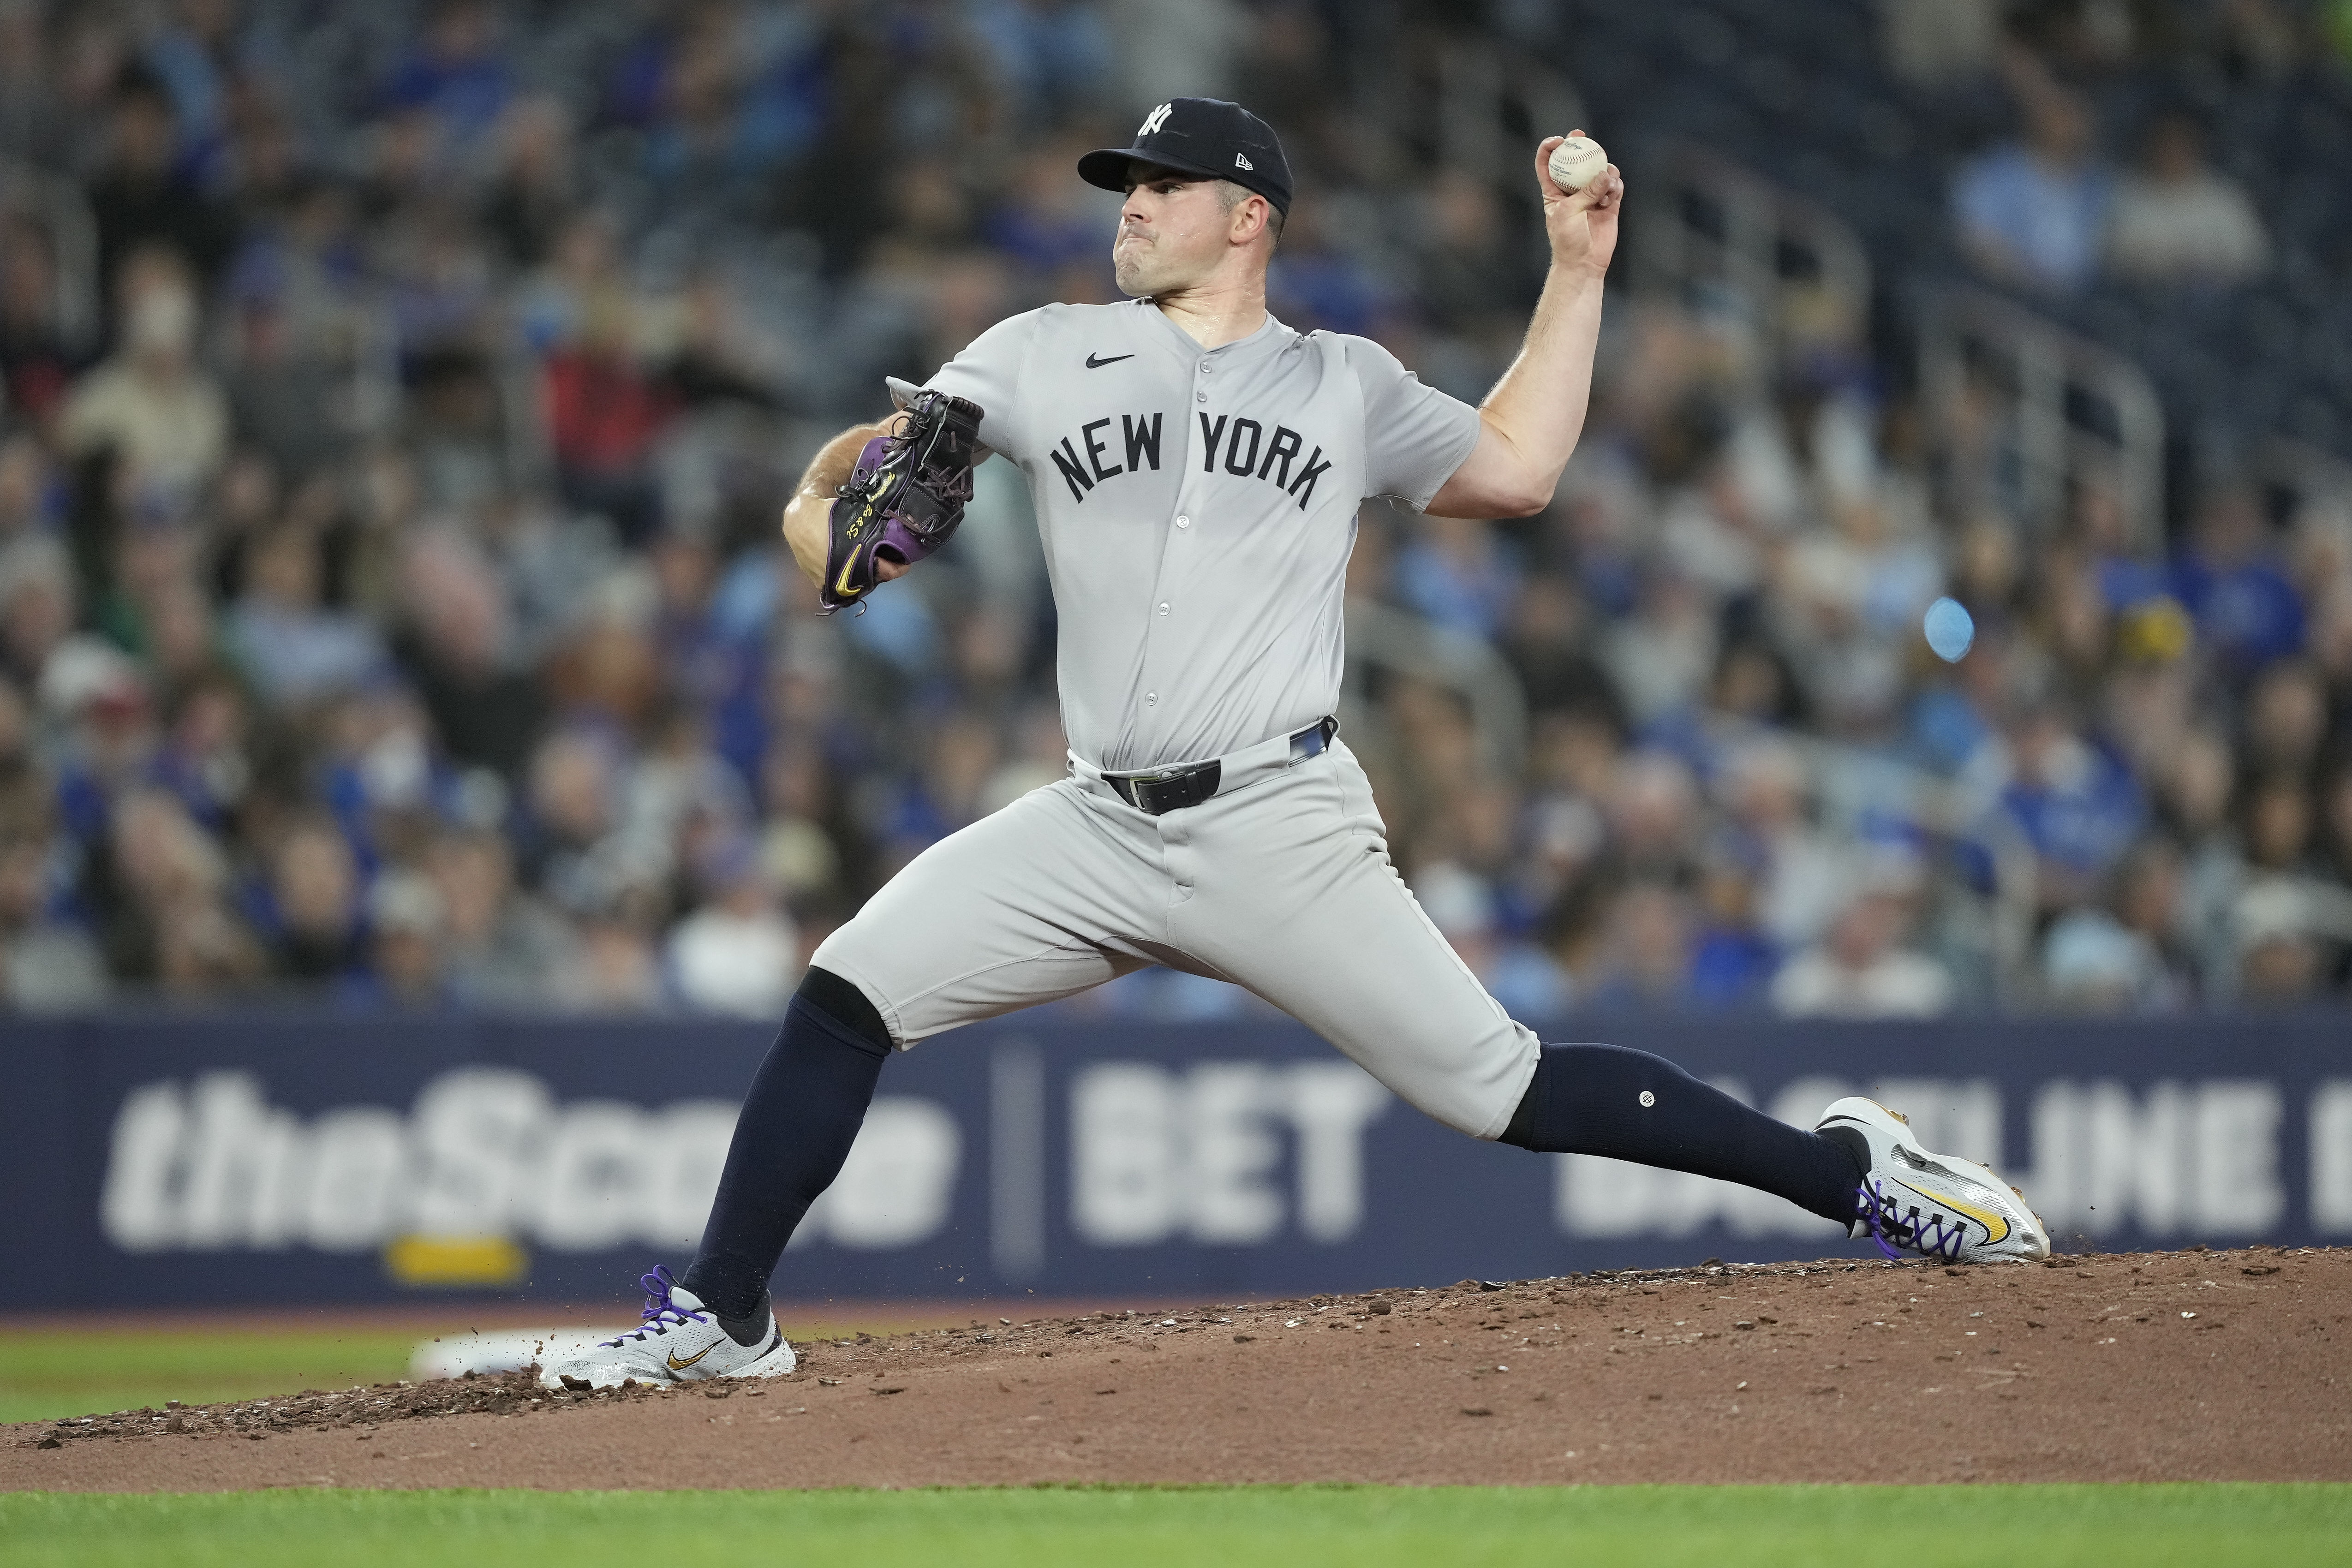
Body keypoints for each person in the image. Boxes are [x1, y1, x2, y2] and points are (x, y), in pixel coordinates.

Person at [544, 100, 2048, 1392]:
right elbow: (843, 521)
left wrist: (1577, 271)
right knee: (845, 993)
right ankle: (722, 1318)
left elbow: (1517, 473)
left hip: (1277, 818)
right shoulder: (1036, 351)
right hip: (1094, 825)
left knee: (1500, 1090)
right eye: (1120, 188)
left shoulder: (1344, 383)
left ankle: (1856, 1177)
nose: (1127, 207)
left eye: (1158, 187)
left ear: (1245, 215)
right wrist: (829, 500)